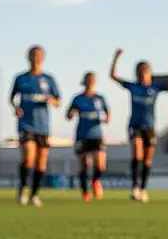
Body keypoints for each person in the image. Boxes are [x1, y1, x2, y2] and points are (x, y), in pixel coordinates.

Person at [110, 49, 168, 203]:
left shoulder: (156, 87)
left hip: (150, 127)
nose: (143, 74)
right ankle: (135, 187)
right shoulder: (133, 86)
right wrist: (116, 58)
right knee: (137, 154)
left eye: (145, 71)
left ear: (149, 73)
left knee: (147, 160)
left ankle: (143, 188)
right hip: (135, 125)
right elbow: (113, 76)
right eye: (140, 72)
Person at [10, 45, 61, 207]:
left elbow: (58, 100)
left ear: (43, 58)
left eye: (39, 55)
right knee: (28, 156)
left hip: (43, 126)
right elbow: (12, 98)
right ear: (28, 57)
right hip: (26, 124)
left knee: (41, 162)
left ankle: (35, 194)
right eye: (33, 55)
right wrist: (16, 108)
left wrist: (51, 101)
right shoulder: (21, 79)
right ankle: (23, 188)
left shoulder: (49, 79)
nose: (36, 58)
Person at [66, 72, 111, 201]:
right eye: (88, 79)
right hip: (82, 135)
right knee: (84, 163)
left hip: (97, 135)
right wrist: (71, 113)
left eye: (93, 79)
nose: (90, 81)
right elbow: (68, 114)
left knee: (100, 164)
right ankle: (85, 192)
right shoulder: (78, 98)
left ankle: (96, 181)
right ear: (84, 81)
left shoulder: (99, 98)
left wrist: (107, 118)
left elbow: (108, 112)